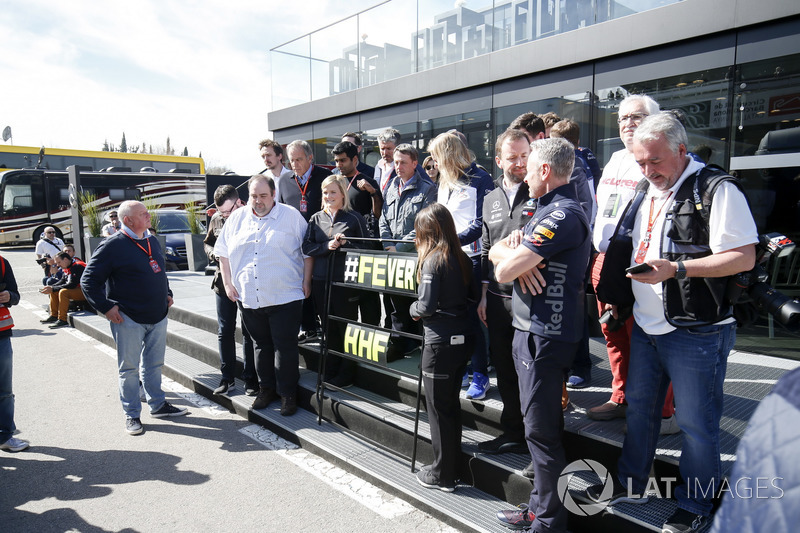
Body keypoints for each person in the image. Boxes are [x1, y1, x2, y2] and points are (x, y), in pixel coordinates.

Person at [585, 113, 758, 533]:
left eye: (655, 161)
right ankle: (629, 484)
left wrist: (677, 269)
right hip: (647, 324)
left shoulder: (717, 189)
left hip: (697, 330)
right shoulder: (649, 186)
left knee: (699, 424)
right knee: (641, 412)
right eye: (641, 163)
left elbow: (743, 257)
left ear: (682, 150)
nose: (647, 171)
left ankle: (696, 503)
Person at [490, 138, 591, 533]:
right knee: (537, 428)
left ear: (545, 171)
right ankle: (537, 508)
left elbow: (500, 272)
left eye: (529, 168)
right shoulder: (543, 209)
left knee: (542, 432)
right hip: (529, 330)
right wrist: (514, 259)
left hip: (546, 335)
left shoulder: (564, 214)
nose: (523, 174)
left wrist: (513, 263)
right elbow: (497, 251)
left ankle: (549, 522)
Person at [587, 94, 677, 433]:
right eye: (623, 117)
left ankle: (661, 413)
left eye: (637, 116)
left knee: (648, 340)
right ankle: (621, 397)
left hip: (642, 265)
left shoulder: (662, 161)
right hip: (606, 260)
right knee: (613, 333)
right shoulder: (614, 159)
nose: (628, 123)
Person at [81, 200, 189, 436]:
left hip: (157, 315)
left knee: (154, 365)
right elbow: (88, 280)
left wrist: (167, 293)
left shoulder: (149, 239)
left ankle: (158, 405)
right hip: (129, 319)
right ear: (127, 220)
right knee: (129, 369)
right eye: (143, 214)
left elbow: (158, 269)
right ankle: (132, 415)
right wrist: (106, 307)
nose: (149, 216)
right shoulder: (112, 245)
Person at [215, 175, 312, 417]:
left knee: (285, 348)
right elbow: (223, 252)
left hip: (285, 296)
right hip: (249, 296)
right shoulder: (237, 218)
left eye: (263, 196)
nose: (258, 201)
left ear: (274, 194)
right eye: (253, 196)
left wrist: (306, 281)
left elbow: (307, 252)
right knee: (260, 346)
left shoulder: (291, 217)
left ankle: (287, 395)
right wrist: (227, 283)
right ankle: (266, 390)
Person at [410, 203, 477, 493]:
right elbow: (473, 296)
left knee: (438, 409)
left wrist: (412, 307)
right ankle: (450, 469)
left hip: (439, 344)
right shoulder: (462, 257)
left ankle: (442, 474)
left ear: (427, 232)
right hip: (462, 338)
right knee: (449, 406)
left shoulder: (433, 260)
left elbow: (424, 306)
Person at [476, 128, 533, 455]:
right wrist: (484, 293)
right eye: (512, 157)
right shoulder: (490, 197)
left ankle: (535, 439)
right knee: (505, 369)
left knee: (532, 373)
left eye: (525, 155)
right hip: (497, 299)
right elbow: (485, 248)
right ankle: (513, 432)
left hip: (532, 299)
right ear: (499, 160)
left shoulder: (541, 191)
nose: (520, 163)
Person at [428, 132, 494, 400]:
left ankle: (481, 373)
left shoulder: (481, 178)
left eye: (436, 156)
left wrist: (452, 241)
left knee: (473, 317)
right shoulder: (444, 180)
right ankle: (464, 368)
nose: (433, 162)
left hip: (473, 259)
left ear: (449, 154)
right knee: (452, 315)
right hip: (448, 258)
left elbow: (483, 223)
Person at [302, 175, 369, 387]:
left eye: (333, 192)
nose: (328, 196)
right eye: (325, 192)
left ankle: (347, 373)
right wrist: (326, 247)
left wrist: (346, 243)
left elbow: (367, 249)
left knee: (346, 328)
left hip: (345, 283)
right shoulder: (315, 218)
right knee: (328, 328)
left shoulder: (354, 218)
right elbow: (306, 247)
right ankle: (330, 369)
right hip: (321, 281)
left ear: (342, 194)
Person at [379, 144, 436, 360]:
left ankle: (420, 344)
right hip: (393, 256)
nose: (398, 166)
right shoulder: (391, 187)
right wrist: (387, 245)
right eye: (395, 162)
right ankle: (401, 342)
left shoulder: (428, 189)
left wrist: (399, 247)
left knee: (417, 302)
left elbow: (423, 225)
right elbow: (383, 219)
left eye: (403, 162)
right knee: (396, 305)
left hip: (416, 257)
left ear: (415, 163)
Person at [203, 184, 258, 396]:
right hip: (221, 283)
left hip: (246, 283)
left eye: (228, 211)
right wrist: (214, 254)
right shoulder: (217, 219)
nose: (225, 216)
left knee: (248, 332)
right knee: (224, 330)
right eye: (221, 212)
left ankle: (250, 379)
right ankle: (226, 378)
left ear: (239, 202)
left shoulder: (251, 217)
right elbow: (207, 243)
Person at [280, 139, 332, 343]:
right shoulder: (285, 181)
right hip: (295, 245)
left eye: (299, 159)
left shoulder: (325, 177)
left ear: (310, 157)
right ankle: (309, 327)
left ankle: (327, 329)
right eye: (291, 160)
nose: (294, 164)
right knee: (301, 286)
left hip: (320, 242)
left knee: (319, 287)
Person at [331, 141, 383, 328]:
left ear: (355, 159)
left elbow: (378, 215)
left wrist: (373, 193)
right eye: (336, 161)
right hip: (341, 249)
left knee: (368, 296)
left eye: (343, 160)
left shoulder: (367, 181)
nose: (339, 165)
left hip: (364, 248)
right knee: (347, 297)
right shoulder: (335, 182)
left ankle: (372, 333)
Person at [0, 254, 28, 452]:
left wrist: (9, 296)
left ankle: (6, 435)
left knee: (4, 392)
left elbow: (16, 295)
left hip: (1, 336)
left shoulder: (2, 263)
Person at [38, 251, 87, 329]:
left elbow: (72, 284)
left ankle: (62, 319)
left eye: (59, 262)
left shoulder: (78, 266)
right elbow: (62, 280)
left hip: (88, 292)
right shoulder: (68, 266)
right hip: (79, 290)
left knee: (63, 292)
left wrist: (53, 288)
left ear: (65, 259)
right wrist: (51, 287)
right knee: (54, 291)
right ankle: (54, 315)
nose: (58, 265)